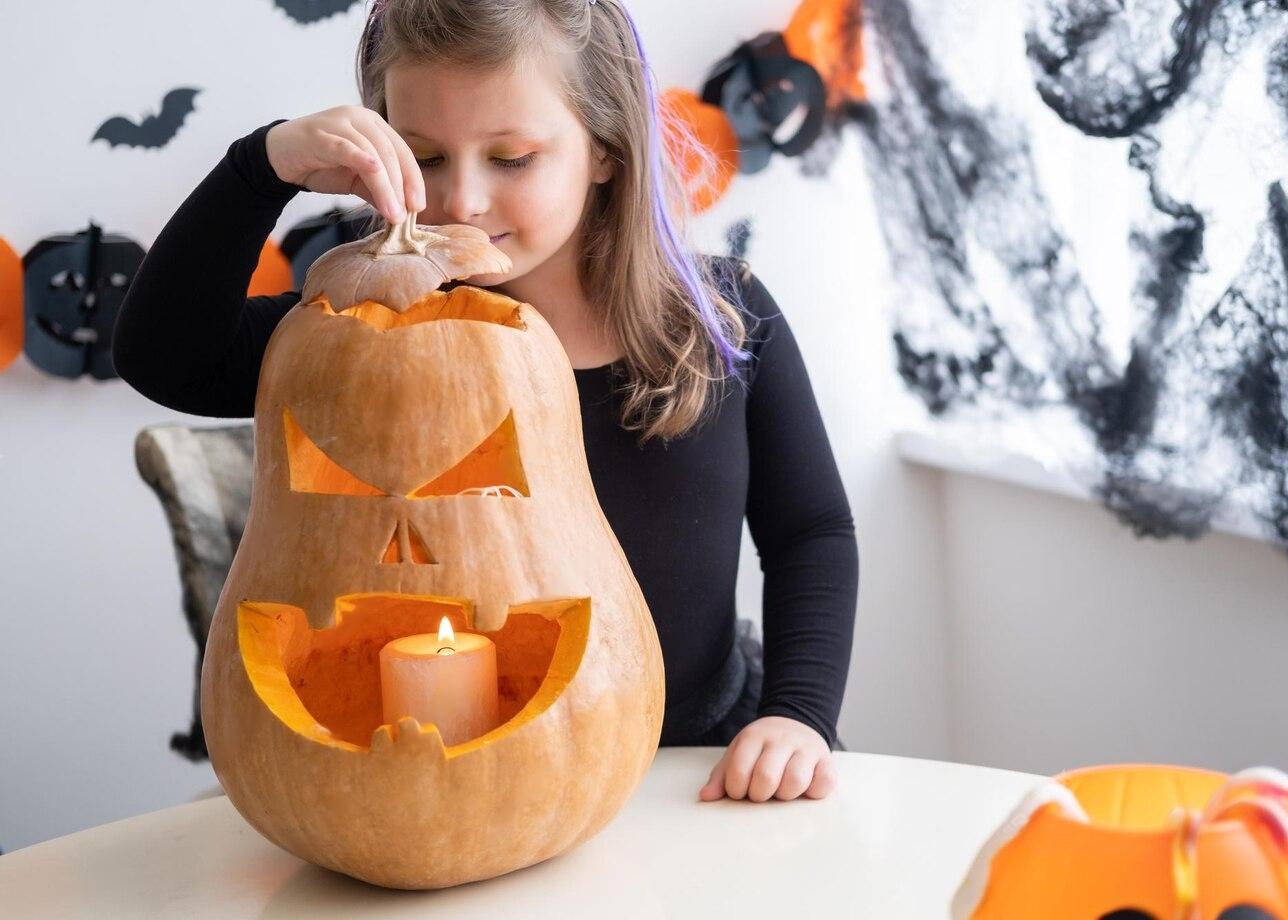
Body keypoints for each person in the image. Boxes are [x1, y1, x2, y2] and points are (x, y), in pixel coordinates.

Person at [112, 0, 858, 804]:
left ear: (605, 149)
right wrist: (262, 167)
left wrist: (798, 715)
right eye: (426, 156)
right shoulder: (358, 336)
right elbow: (165, 357)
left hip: (702, 767)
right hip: (471, 792)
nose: (461, 199)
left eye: (512, 158)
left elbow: (811, 533)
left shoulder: (722, 316)